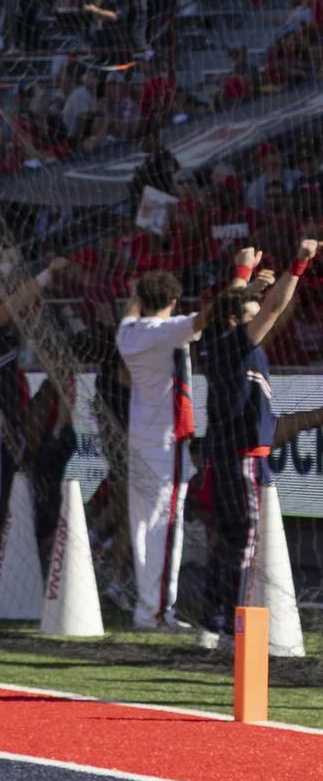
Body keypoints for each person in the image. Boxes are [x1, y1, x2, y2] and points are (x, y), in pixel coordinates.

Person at [195, 242, 317, 641]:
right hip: (243, 460)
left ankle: (213, 621)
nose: (257, 314)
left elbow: (237, 306)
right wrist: (298, 262)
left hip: (235, 458)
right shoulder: (235, 344)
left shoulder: (216, 346)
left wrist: (245, 275)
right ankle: (231, 625)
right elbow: (275, 309)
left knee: (229, 539)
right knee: (243, 542)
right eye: (249, 311)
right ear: (235, 320)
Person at [116, 269, 195, 630]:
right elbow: (206, 320)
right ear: (174, 302)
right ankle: (158, 612)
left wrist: (138, 293)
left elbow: (130, 313)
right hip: (166, 442)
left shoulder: (127, 333)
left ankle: (147, 609)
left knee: (143, 526)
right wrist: (243, 279)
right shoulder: (170, 330)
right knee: (165, 526)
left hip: (140, 440)